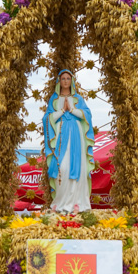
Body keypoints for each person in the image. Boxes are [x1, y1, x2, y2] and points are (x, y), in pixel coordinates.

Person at [42, 68, 95, 214]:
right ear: (59, 81)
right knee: (62, 167)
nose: (66, 81)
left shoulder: (78, 99)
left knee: (78, 167)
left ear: (72, 81)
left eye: (68, 78)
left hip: (76, 136)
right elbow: (47, 119)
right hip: (60, 136)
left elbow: (87, 115)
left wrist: (71, 110)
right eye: (63, 78)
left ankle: (78, 203)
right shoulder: (54, 100)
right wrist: (61, 111)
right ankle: (61, 202)